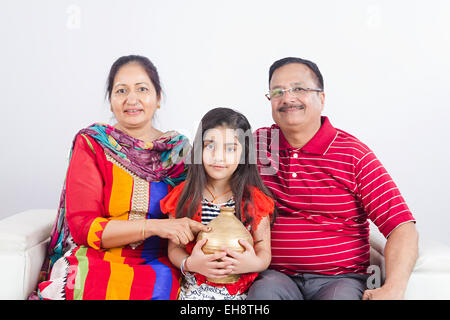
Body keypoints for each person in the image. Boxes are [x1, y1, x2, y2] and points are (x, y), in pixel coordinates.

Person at [31, 55, 209, 300]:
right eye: (121, 90)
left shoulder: (178, 151)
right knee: (84, 283)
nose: (131, 99)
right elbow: (84, 227)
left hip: (158, 262)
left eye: (142, 89)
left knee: (160, 288)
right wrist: (156, 226)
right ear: (111, 100)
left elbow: (197, 211)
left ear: (158, 99)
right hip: (97, 258)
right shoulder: (93, 143)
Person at [248, 57, 418, 300]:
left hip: (341, 279)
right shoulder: (256, 145)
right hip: (276, 276)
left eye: (299, 89)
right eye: (278, 91)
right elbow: (204, 175)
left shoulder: (353, 155)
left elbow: (402, 227)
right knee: (263, 295)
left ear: (322, 98)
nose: (287, 98)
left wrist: (394, 287)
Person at [160, 107, 275, 300]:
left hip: (240, 292)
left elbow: (264, 250)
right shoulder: (184, 196)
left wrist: (252, 264)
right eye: (210, 146)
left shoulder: (254, 200)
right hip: (194, 289)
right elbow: (174, 249)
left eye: (230, 148)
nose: (219, 157)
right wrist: (190, 264)